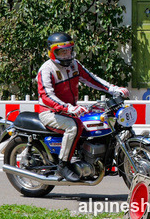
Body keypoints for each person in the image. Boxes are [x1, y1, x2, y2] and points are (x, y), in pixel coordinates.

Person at [36, 32, 128, 182]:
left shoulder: (74, 64)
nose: (66, 55)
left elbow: (91, 79)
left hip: (68, 110)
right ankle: (63, 165)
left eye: (68, 50)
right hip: (50, 112)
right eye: (62, 52)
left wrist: (113, 89)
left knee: (93, 122)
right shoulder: (46, 69)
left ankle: (87, 160)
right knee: (74, 127)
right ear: (52, 52)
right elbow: (46, 96)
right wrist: (68, 108)